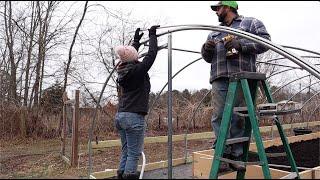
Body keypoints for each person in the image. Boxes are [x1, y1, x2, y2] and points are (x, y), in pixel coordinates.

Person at [201, 1, 271, 171]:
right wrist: (206, 49)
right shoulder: (214, 33)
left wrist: (241, 45)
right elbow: (207, 57)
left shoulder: (250, 23)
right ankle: (223, 154)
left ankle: (237, 155)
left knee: (238, 116)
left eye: (218, 7)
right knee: (218, 116)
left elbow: (266, 43)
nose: (216, 11)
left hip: (242, 77)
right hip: (219, 77)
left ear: (228, 6)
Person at [114, 25, 159, 179]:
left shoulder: (123, 69)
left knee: (126, 150)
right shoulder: (137, 71)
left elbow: (129, 55)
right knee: (134, 153)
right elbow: (151, 55)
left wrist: (136, 41)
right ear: (135, 58)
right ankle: (129, 175)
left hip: (121, 116)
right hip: (133, 117)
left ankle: (121, 174)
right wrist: (152, 35)